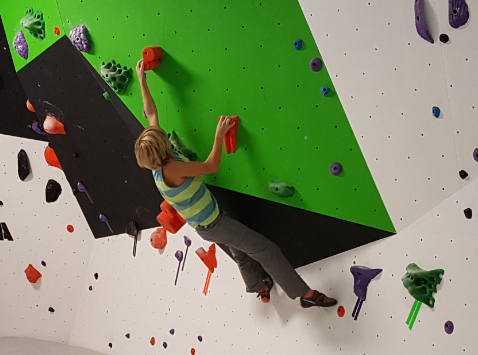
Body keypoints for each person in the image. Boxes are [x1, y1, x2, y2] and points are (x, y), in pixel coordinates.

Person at [133, 60, 337, 308]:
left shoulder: (155, 162)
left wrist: (143, 82)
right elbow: (210, 166)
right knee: (266, 250)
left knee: (240, 251)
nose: (161, 131)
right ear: (162, 149)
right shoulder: (171, 168)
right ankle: (304, 295)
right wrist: (218, 136)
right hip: (213, 224)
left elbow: (151, 113)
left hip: (208, 222)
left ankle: (258, 287)